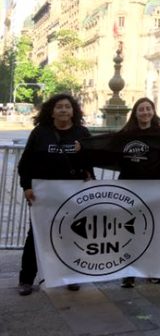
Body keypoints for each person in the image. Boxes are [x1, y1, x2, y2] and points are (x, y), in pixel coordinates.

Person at [17, 94, 93, 296]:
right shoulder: (40, 133)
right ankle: (26, 279)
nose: (63, 110)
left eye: (67, 107)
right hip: (43, 194)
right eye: (59, 107)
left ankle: (72, 276)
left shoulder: (82, 133)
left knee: (72, 235)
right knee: (36, 236)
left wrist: (82, 153)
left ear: (73, 111)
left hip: (72, 194)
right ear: (51, 111)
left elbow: (90, 164)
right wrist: (26, 186)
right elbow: (26, 163)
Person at [117, 97, 160, 288]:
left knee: (154, 231)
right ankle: (128, 272)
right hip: (129, 187)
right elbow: (107, 149)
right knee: (130, 230)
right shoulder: (125, 134)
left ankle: (153, 270)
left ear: (153, 112)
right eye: (141, 109)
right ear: (135, 113)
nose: (145, 112)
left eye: (149, 109)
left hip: (154, 187)